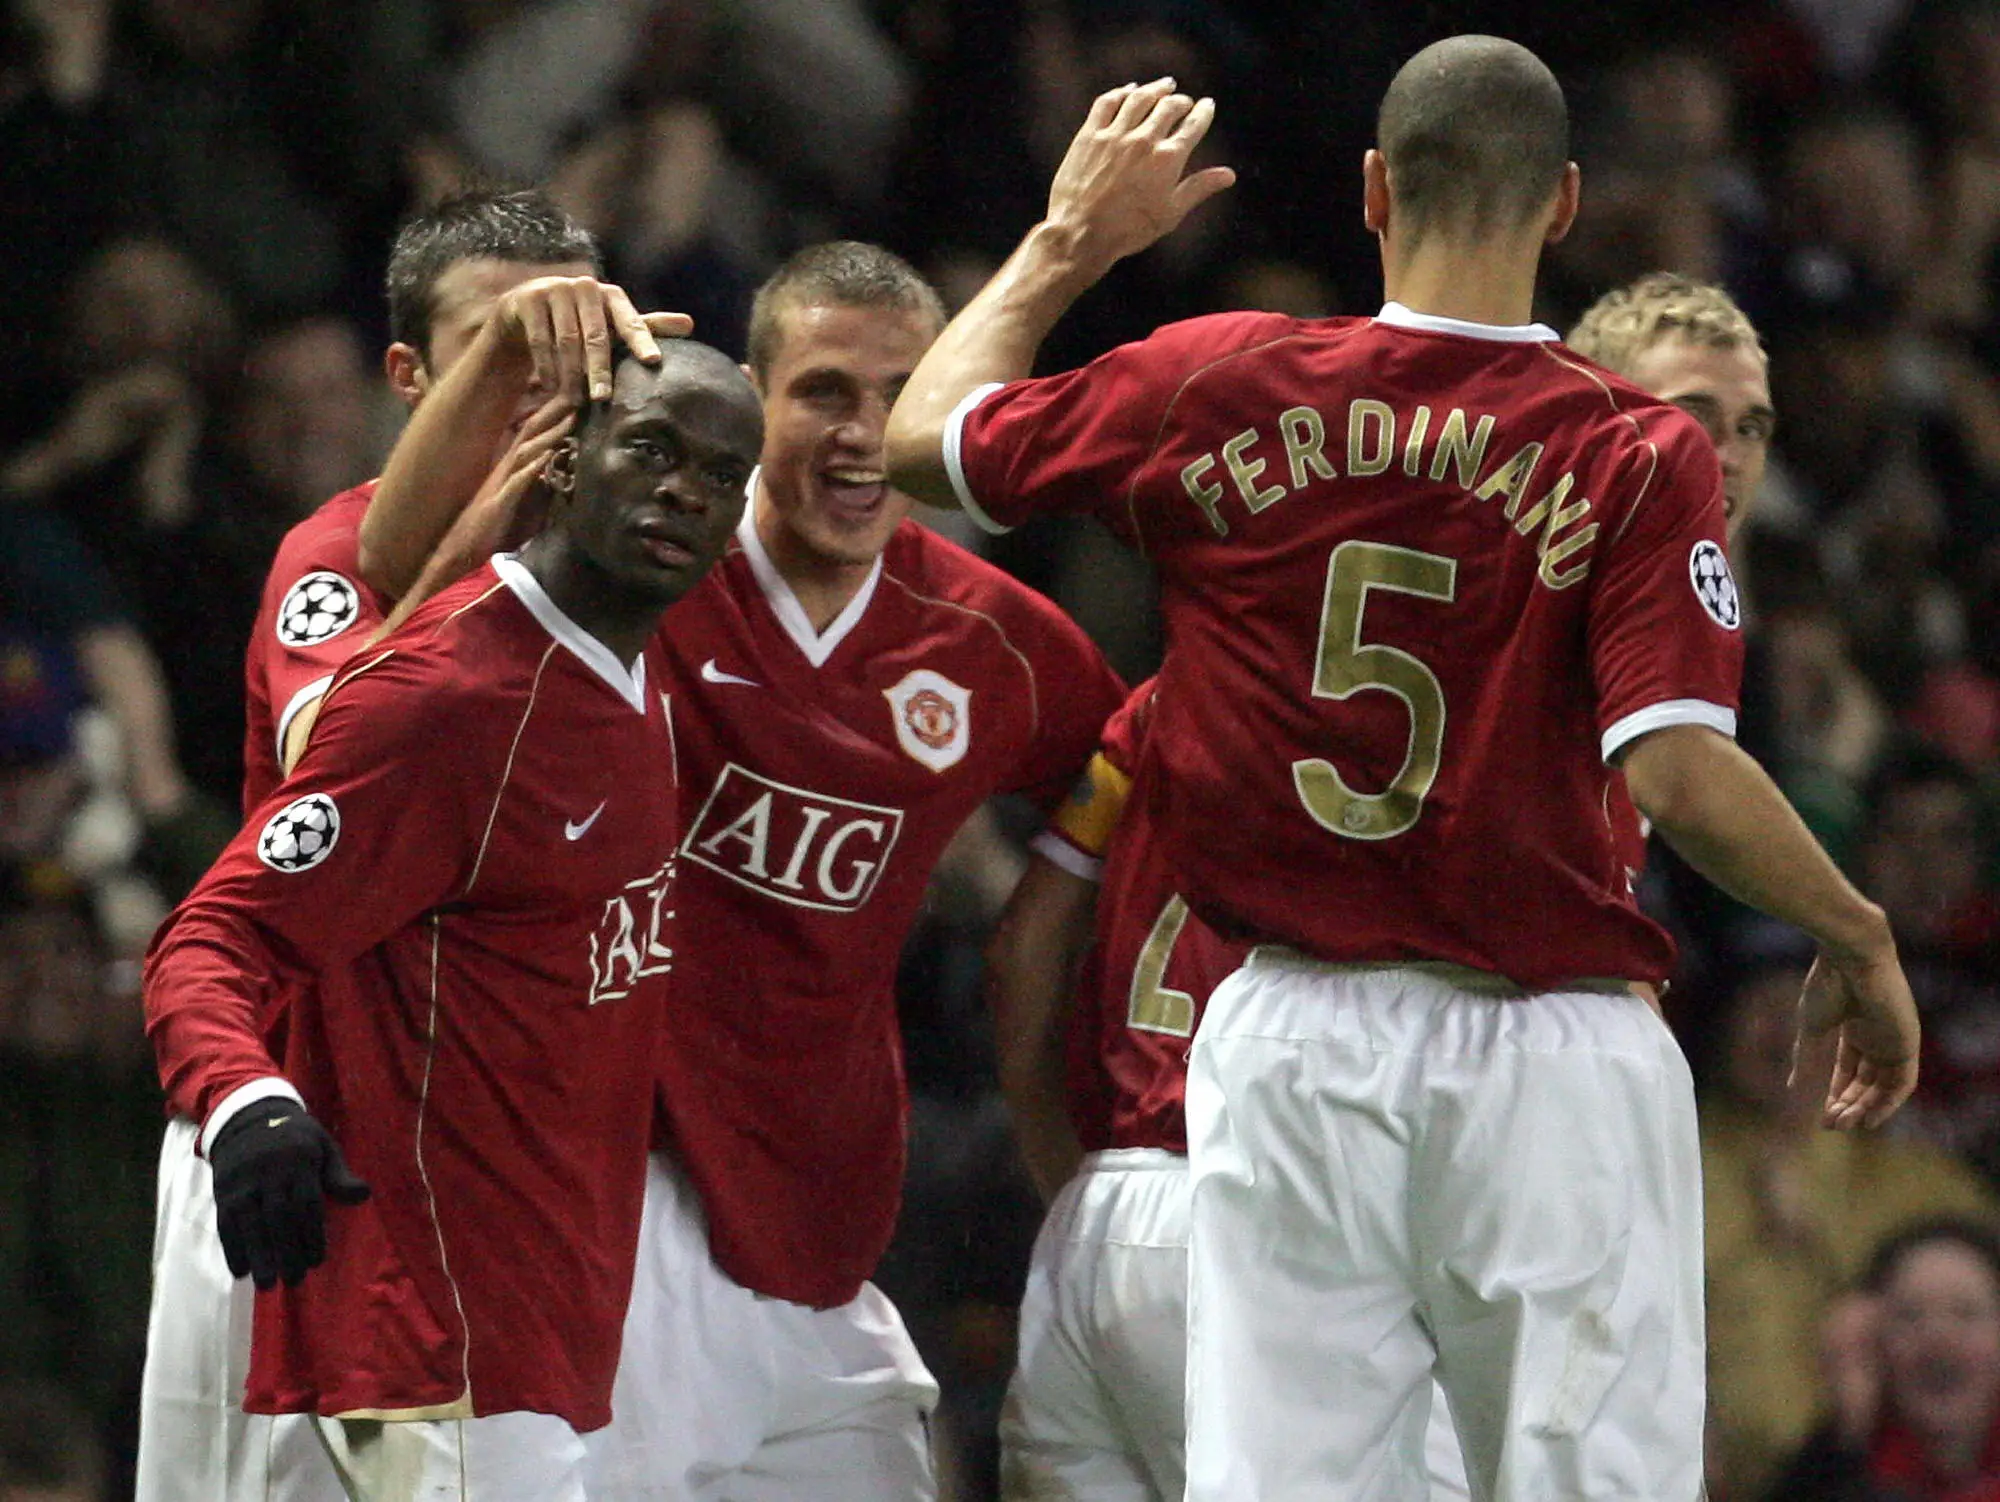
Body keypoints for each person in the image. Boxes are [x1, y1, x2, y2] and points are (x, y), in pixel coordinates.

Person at [885, 41, 1922, 1499]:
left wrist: (1069, 241)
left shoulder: (1221, 376)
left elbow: (920, 438)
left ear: (1372, 190)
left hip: (1293, 1029)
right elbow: (1679, 772)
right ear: (1564, 204)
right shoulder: (1630, 444)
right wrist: (1857, 930)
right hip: (1549, 1040)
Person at [353, 240, 1126, 1498]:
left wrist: (1059, 974)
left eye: (899, 390)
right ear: (750, 399)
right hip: (614, 1201)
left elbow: (1139, 783)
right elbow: (393, 573)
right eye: (823, 390)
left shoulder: (997, 643)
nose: (863, 432)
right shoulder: (635, 574)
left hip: (825, 1218)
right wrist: (500, 359)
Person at [133, 186, 681, 1502]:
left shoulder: (646, 581)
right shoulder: (331, 556)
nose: (544, 394)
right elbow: (354, 742)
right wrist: (497, 510)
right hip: (295, 1162)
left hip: (526, 1218)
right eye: (502, 352)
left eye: (573, 355)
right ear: (412, 373)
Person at [1767, 1217, 2000, 1501]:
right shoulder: (1832, 1472)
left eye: (1966, 1313)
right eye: (1910, 1316)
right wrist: (1849, 1429)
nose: (1938, 1337)